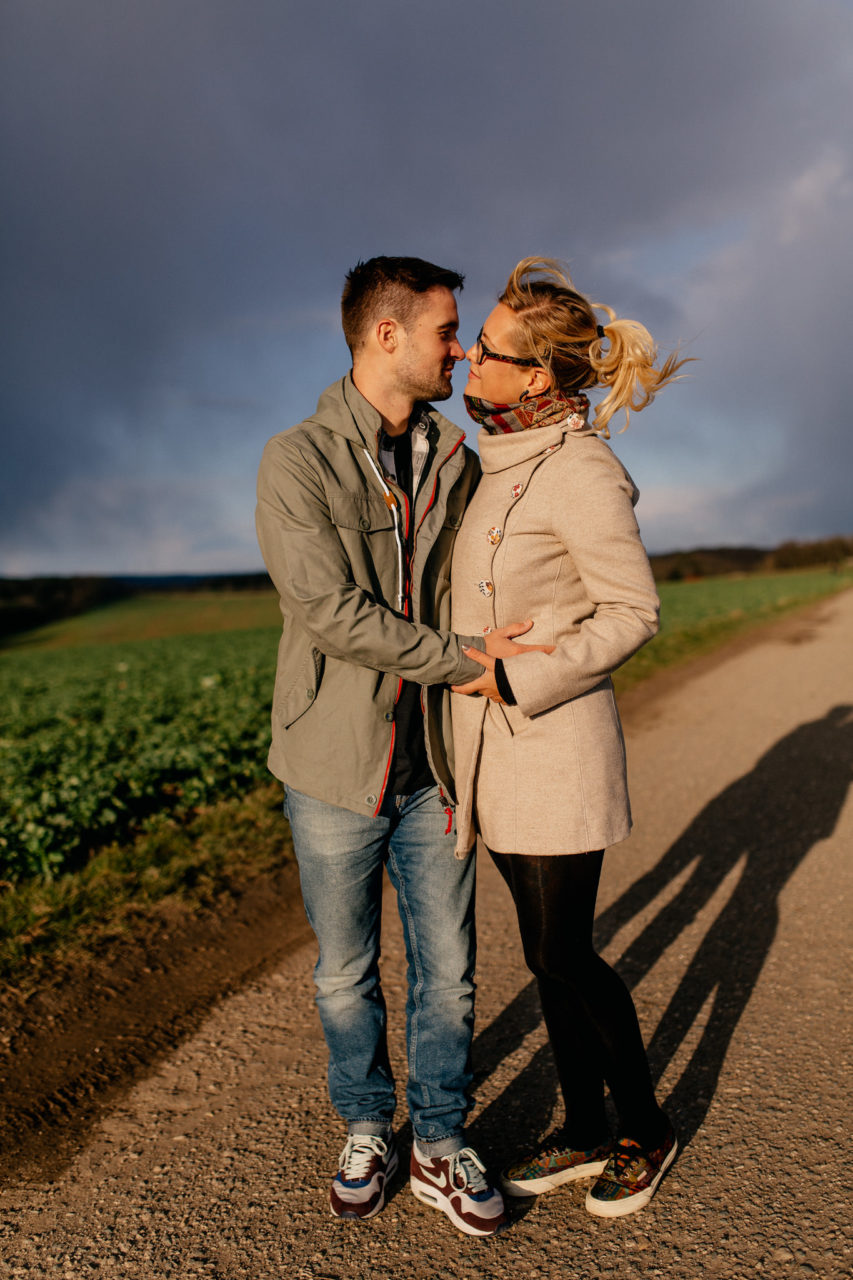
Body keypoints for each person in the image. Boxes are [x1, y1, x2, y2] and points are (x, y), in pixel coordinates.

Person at [256, 257, 537, 1238]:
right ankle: (369, 1119)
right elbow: (331, 612)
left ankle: (442, 1135)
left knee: (449, 967)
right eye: (445, 330)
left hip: (439, 764)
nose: (458, 348)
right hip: (335, 764)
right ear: (386, 335)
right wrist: (460, 659)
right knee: (345, 969)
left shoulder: (457, 458)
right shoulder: (295, 460)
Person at [450, 257, 690, 1219]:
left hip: (552, 745)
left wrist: (517, 675)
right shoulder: (496, 461)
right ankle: (585, 1127)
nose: (469, 353)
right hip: (491, 753)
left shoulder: (582, 469)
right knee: (546, 953)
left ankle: (642, 1127)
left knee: (563, 954)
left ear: (537, 379)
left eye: (490, 348)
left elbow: (634, 611)